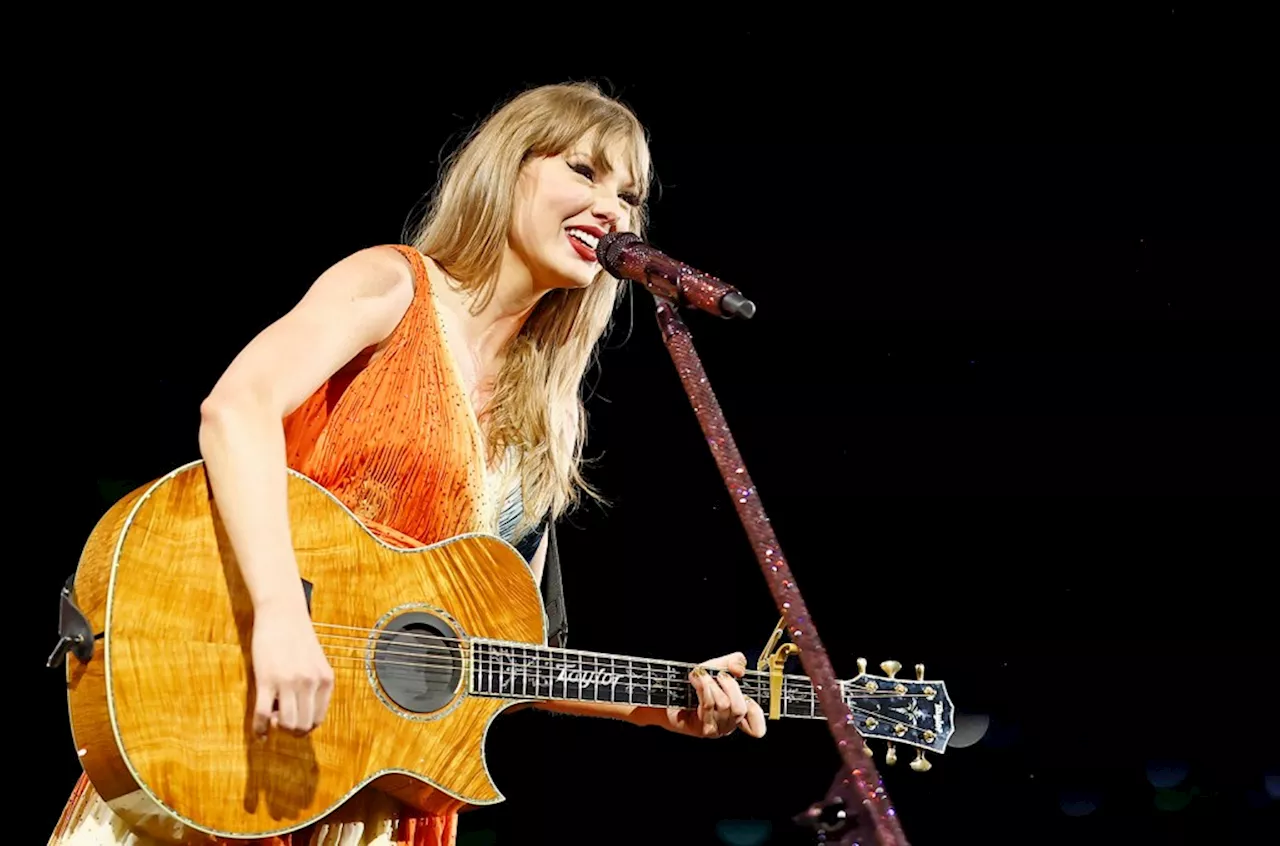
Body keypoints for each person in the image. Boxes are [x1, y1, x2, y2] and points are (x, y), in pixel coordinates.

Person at [49, 81, 767, 846]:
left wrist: (658, 704)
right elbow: (236, 410)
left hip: (380, 795)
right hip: (234, 726)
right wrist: (283, 619)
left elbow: (520, 655)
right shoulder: (392, 286)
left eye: (630, 195)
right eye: (583, 172)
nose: (614, 211)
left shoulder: (550, 414)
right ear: (507, 170)